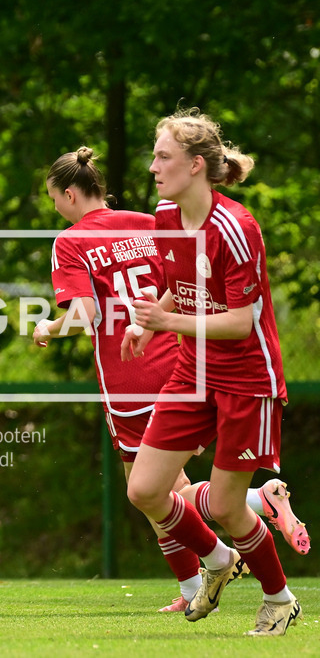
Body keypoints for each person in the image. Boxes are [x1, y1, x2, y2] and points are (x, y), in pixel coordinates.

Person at [34, 147, 309, 614]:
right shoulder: (149, 221)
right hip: (182, 361)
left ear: (69, 194)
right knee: (149, 489)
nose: (55, 208)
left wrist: (50, 326)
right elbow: (186, 284)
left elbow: (84, 314)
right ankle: (192, 586)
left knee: (157, 493)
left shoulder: (71, 241)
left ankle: (255, 507)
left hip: (130, 371)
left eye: (53, 199)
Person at [123, 109, 306, 636]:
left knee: (227, 503)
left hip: (247, 377)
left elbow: (240, 324)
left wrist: (166, 320)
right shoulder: (163, 214)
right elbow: (180, 283)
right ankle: (220, 560)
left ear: (196, 165)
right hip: (191, 368)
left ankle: (278, 599)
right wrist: (152, 325)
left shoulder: (235, 227)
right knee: (145, 491)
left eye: (164, 157)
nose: (153, 166)